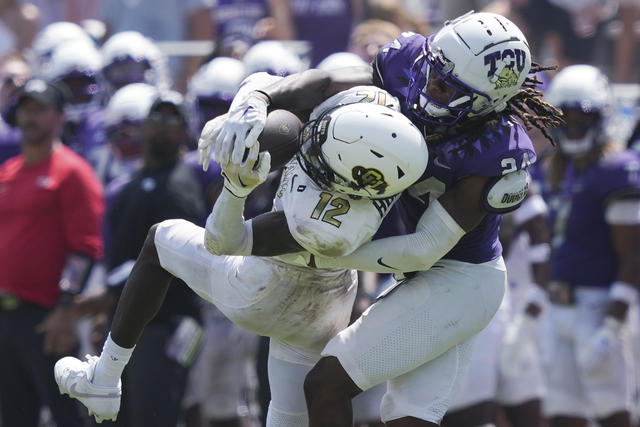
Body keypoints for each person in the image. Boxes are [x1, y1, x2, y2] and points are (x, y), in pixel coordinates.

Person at [201, 10, 563, 425]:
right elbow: (324, 84)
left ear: (484, 104)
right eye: (430, 69)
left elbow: (423, 250)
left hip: (459, 277)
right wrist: (258, 102)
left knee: (327, 382)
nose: (426, 86)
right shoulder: (410, 63)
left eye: (444, 87)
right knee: (408, 416)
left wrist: (328, 252)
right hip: (425, 273)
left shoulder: (496, 147)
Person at [54, 86, 430, 426]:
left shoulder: (308, 211)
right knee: (286, 415)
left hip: (262, 290)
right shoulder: (384, 179)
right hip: (327, 311)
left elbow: (223, 242)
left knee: (161, 239)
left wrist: (236, 187)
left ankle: (104, 378)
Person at [540, 64, 640, 427]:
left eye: (582, 120)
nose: (572, 128)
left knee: (612, 411)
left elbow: (633, 255)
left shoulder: (617, 170)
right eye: (565, 120)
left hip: (599, 306)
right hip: (559, 303)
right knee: (563, 412)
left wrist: (613, 323)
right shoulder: (559, 169)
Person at [0, 78, 104, 427]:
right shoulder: (8, 172)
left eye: (40, 110)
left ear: (59, 117)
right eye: (26, 109)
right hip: (7, 314)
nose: (31, 118)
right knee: (14, 415)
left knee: (65, 414)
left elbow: (84, 249)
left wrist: (64, 309)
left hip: (46, 317)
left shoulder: (73, 173)